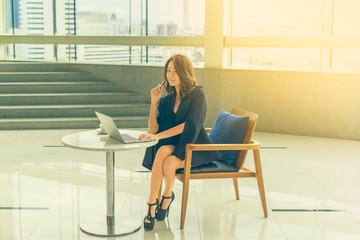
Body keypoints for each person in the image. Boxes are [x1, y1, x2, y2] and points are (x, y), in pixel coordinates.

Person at [139, 54, 221, 231]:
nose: (171, 75)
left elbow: (189, 126)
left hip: (191, 146)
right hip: (172, 144)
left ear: (185, 72)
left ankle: (166, 196)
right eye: (168, 70)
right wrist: (154, 102)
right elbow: (154, 130)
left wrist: (158, 137)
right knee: (161, 152)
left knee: (167, 160)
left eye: (175, 70)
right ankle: (152, 204)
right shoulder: (167, 100)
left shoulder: (198, 94)